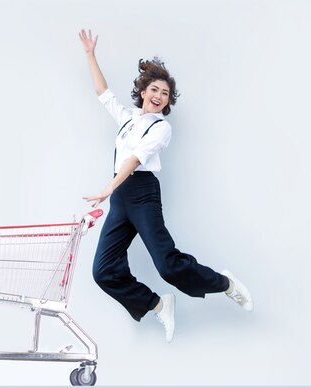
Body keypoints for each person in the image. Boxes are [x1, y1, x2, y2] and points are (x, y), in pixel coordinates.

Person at [78, 29, 253, 343]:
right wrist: (90, 54)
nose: (159, 97)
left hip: (142, 194)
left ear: (168, 102)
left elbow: (133, 159)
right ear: (144, 91)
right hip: (121, 199)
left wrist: (108, 187)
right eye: (154, 90)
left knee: (168, 266)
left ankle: (224, 283)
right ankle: (156, 304)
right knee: (103, 272)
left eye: (165, 94)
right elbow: (103, 91)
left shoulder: (162, 128)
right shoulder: (128, 119)